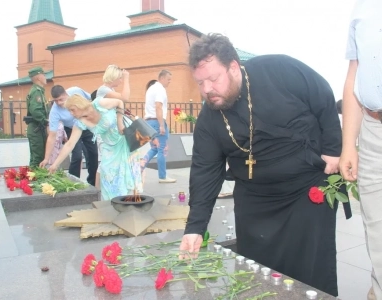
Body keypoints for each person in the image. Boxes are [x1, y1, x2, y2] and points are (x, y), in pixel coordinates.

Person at [178, 33, 342, 296]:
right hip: (256, 199)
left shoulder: (278, 70)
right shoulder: (209, 120)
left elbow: (322, 96)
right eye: (200, 82)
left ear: (233, 67)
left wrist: (334, 150)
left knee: (310, 270)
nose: (207, 89)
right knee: (256, 273)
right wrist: (195, 228)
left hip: (305, 188)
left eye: (213, 79)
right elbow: (205, 172)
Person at [340, 2, 382, 299]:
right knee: (377, 232)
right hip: (373, 129)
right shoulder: (363, 8)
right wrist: (348, 146)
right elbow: (354, 74)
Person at [48, 94, 142, 200]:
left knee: (129, 170)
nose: (71, 113)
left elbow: (119, 102)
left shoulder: (98, 104)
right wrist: (55, 164)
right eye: (69, 111)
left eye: (72, 110)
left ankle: (130, 201)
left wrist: (120, 122)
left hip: (125, 139)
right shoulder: (80, 123)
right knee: (107, 173)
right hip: (110, 146)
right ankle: (112, 201)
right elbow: (70, 144)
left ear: (78, 105)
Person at [39, 85, 98, 186]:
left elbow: (92, 99)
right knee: (77, 155)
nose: (59, 103)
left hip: (88, 127)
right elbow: (53, 136)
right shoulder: (55, 111)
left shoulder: (76, 91)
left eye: (61, 99)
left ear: (66, 94)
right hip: (72, 128)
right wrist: (47, 159)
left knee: (93, 154)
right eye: (55, 100)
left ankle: (92, 183)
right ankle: (73, 183)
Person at [141, 70, 176, 183]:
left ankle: (139, 167)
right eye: (168, 79)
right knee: (162, 149)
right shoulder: (160, 89)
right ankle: (162, 176)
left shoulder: (151, 88)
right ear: (162, 78)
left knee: (154, 148)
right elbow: (158, 107)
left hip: (149, 122)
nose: (170, 82)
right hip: (157, 122)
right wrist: (161, 125)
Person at [25, 66, 48, 167]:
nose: (45, 77)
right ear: (38, 77)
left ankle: (34, 179)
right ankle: (34, 181)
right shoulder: (36, 92)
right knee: (37, 158)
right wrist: (46, 121)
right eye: (43, 75)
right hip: (36, 129)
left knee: (38, 157)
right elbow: (35, 111)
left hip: (38, 128)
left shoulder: (39, 91)